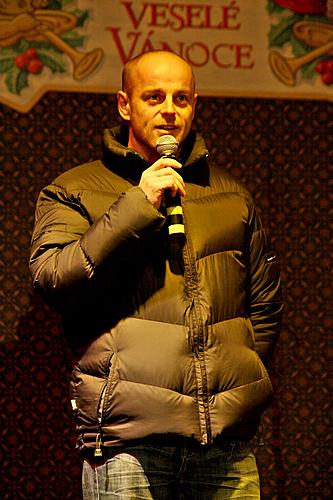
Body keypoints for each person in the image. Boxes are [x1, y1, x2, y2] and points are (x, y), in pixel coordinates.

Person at [29, 50, 283, 499]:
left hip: (224, 446)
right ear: (126, 105)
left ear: (194, 104)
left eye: (181, 98)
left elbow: (263, 308)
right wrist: (136, 205)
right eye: (154, 96)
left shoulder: (231, 197)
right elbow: (53, 281)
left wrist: (240, 383)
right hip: (130, 442)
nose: (169, 109)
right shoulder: (74, 189)